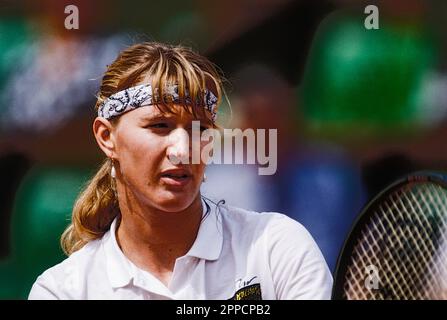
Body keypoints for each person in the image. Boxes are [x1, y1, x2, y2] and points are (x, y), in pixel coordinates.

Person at [28, 42, 332, 299]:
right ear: (107, 138)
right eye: (160, 126)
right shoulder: (61, 290)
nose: (183, 149)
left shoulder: (277, 246)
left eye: (199, 129)